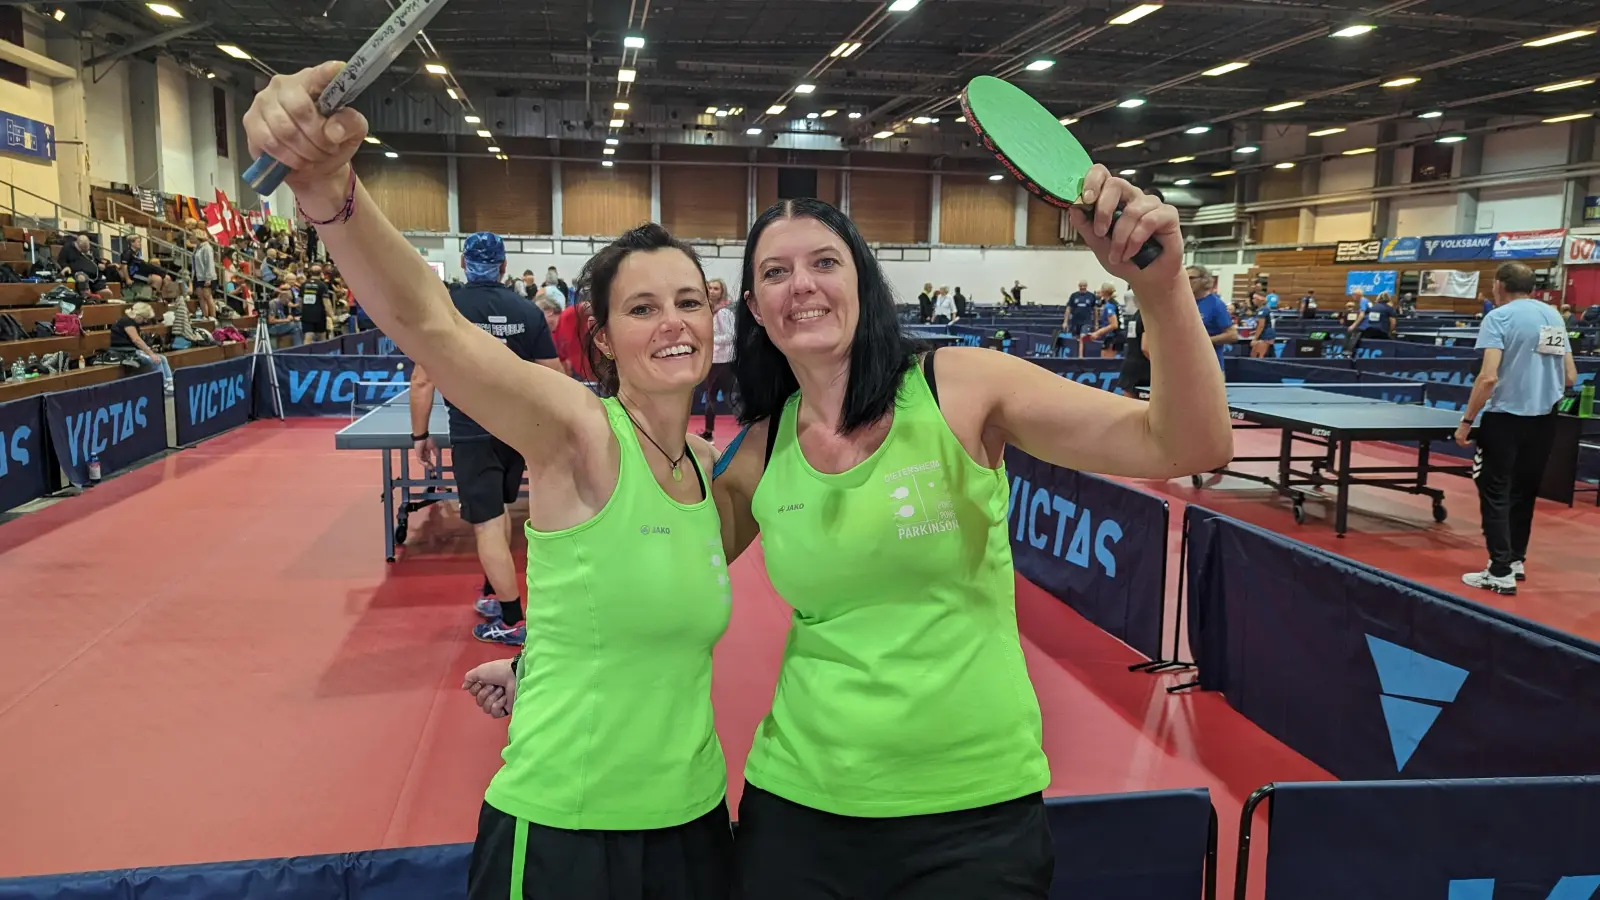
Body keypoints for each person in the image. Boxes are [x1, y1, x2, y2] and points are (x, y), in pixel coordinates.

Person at [245, 63, 734, 898]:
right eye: (642, 307)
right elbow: (430, 325)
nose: (673, 322)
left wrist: (535, 662)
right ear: (605, 339)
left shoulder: (703, 469)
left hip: (692, 822)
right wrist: (330, 191)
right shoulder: (578, 430)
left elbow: (622, 612)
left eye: (687, 301)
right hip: (568, 832)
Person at [711, 179, 1232, 898]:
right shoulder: (756, 456)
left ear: (861, 279)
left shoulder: (954, 386)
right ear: (753, 308)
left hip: (971, 817)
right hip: (798, 807)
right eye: (775, 272)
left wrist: (1163, 291)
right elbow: (657, 580)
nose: (802, 285)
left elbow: (1188, 443)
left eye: (825, 262)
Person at [409, 233, 564, 645]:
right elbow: (555, 376)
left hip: (472, 434)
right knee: (500, 517)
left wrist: (420, 434)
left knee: (488, 524)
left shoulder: (447, 309)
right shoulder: (527, 311)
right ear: (502, 266)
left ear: (463, 263)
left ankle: (512, 620)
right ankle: (496, 591)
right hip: (517, 433)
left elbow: (423, 379)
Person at [1455, 263, 1576, 595]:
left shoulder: (1498, 317)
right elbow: (1570, 376)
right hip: (1544, 421)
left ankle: (1499, 571)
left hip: (1506, 420)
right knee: (1524, 490)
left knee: (1494, 491)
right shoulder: (1554, 316)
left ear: (1499, 286)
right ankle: (1515, 560)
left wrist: (1466, 421)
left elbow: (1488, 376)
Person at [700, 277, 736, 440]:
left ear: (722, 291)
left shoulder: (724, 311)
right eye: (710, 288)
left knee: (726, 397)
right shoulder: (706, 310)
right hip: (712, 360)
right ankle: (708, 433)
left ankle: (750, 428)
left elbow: (730, 336)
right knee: (714, 397)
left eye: (716, 288)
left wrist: (709, 338)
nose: (713, 291)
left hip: (723, 361)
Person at [111, 302, 174, 395]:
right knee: (155, 360)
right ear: (139, 316)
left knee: (162, 358)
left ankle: (170, 383)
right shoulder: (126, 322)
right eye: (145, 319)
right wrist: (151, 354)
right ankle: (162, 386)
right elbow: (136, 340)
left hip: (132, 349)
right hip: (125, 351)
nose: (145, 321)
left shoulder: (131, 322)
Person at [1186, 265, 1237, 366]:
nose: (1187, 281)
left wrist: (1203, 341)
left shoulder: (1216, 304)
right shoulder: (1183, 303)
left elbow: (1232, 335)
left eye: (1191, 278)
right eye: (1184, 278)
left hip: (1210, 365)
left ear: (1204, 280)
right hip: (1186, 363)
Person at [1087, 283, 1120, 358]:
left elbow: (1114, 325)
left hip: (1113, 337)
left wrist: (1097, 333)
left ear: (1104, 291)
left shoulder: (1109, 306)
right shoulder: (1113, 303)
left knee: (1107, 363)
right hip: (1114, 336)